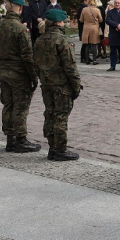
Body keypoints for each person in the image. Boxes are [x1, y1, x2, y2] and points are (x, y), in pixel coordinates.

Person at [0, 0, 43, 153]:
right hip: (19, 74)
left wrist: (2, 65)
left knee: (8, 105)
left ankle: (10, 139)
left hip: (4, 71)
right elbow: (27, 56)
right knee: (20, 106)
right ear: (20, 8)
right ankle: (21, 139)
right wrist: (33, 76)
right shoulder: (20, 29)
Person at [34, 9, 81, 161]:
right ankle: (60, 149)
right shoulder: (62, 40)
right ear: (59, 22)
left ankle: (52, 147)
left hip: (47, 84)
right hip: (61, 85)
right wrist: (76, 86)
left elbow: (35, 63)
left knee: (50, 113)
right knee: (61, 116)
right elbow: (70, 66)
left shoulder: (39, 40)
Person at [79, 0, 103, 65]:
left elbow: (81, 20)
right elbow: (101, 20)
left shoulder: (84, 9)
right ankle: (94, 60)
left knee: (86, 44)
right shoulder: (97, 10)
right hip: (94, 27)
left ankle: (87, 60)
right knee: (94, 44)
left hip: (86, 27)